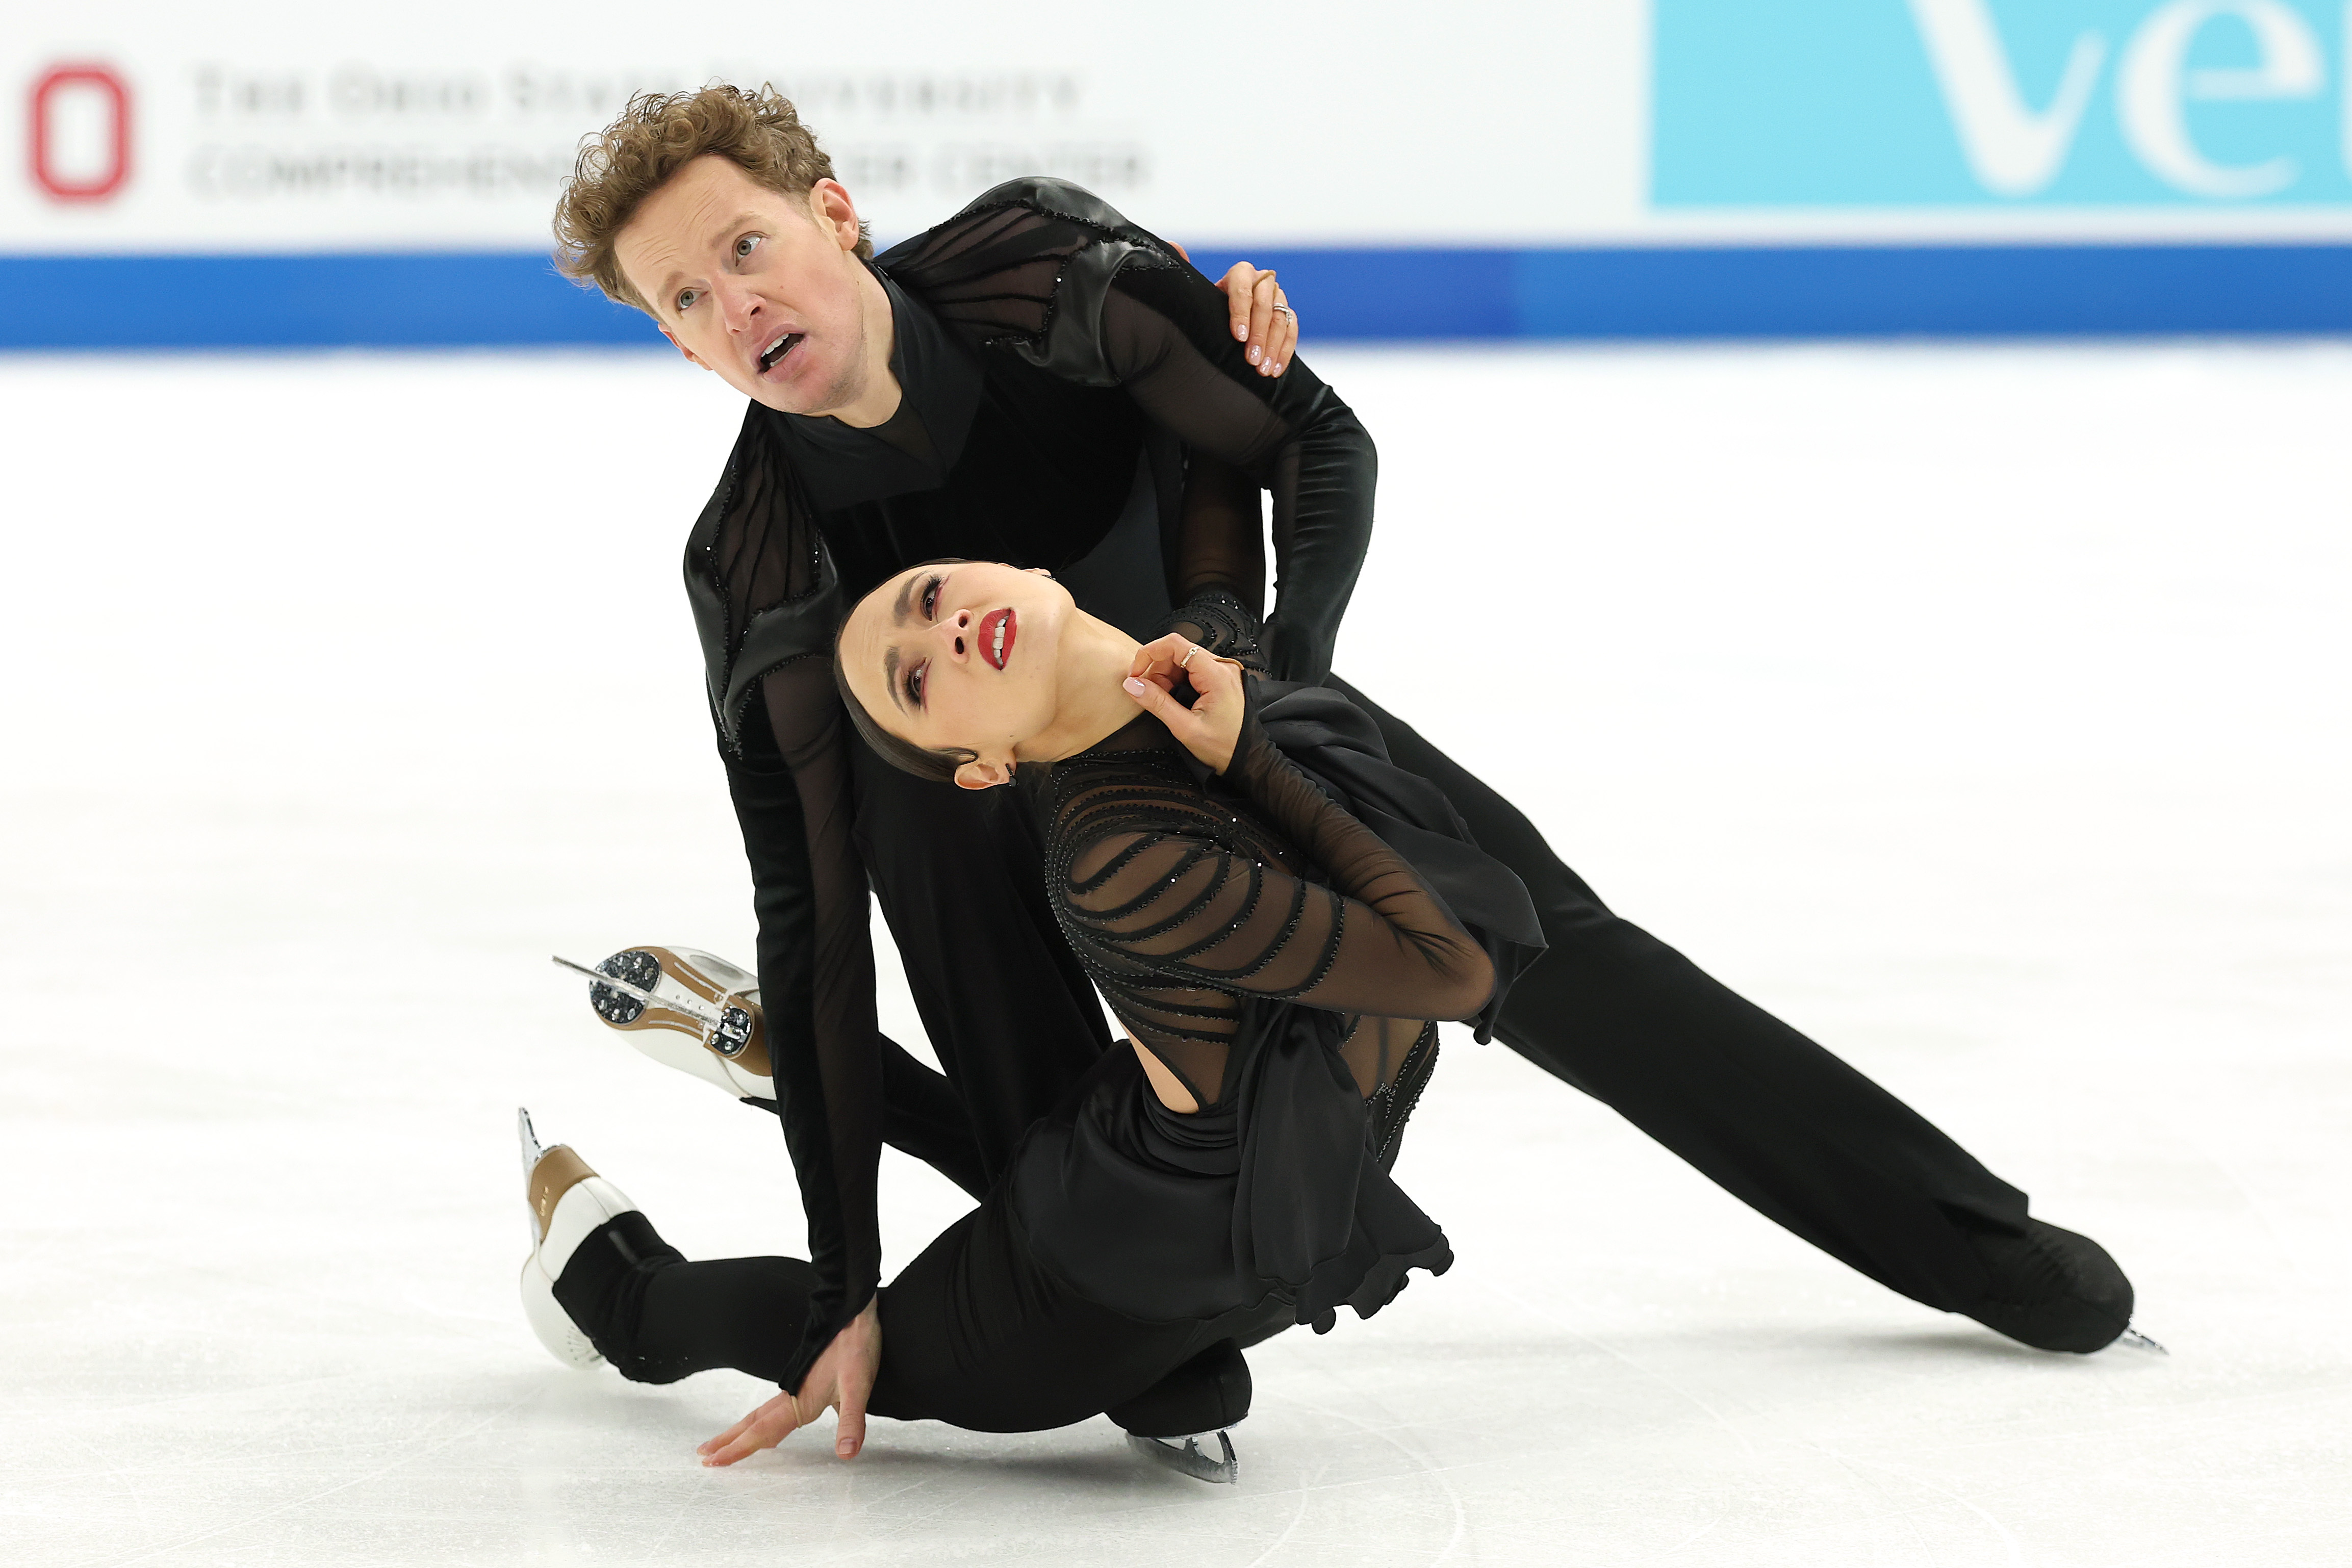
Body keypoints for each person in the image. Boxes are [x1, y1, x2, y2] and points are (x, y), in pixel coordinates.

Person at [545, 82, 2144, 1468]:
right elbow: (818, 924)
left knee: (1548, 948)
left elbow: (1309, 439)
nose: (730, 307)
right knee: (1168, 1356)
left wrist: (1273, 682)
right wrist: (838, 1287)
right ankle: (951, 1139)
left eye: (743, 249)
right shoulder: (759, 567)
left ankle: (1970, 1244)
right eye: (681, 301)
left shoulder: (1038, 271)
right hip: (977, 833)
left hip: (1227, 688)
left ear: (832, 214)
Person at [519, 551, 1545, 1475]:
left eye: (929, 599)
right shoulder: (1116, 856)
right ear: (983, 763)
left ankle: (806, 1065)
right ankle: (602, 1280)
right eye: (918, 678)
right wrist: (1254, 763)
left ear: (1020, 567)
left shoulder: (1212, 689)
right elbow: (1446, 970)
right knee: (877, 1361)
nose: (948, 632)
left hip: (1265, 1188)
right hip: (1099, 1261)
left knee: (1191, 1380)